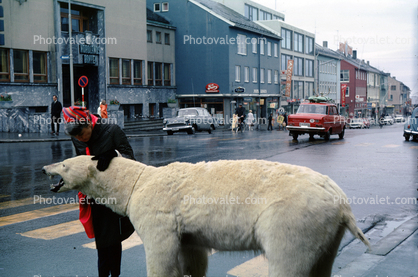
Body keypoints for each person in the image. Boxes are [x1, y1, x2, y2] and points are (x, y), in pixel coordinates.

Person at [58, 106, 135, 277]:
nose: (80, 139)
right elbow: (81, 163)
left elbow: (130, 157)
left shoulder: (112, 131)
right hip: (94, 195)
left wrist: (114, 155)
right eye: (76, 137)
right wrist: (67, 178)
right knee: (101, 240)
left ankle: (114, 274)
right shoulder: (78, 138)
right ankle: (103, 274)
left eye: (82, 134)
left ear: (89, 125)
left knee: (113, 239)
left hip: (114, 194)